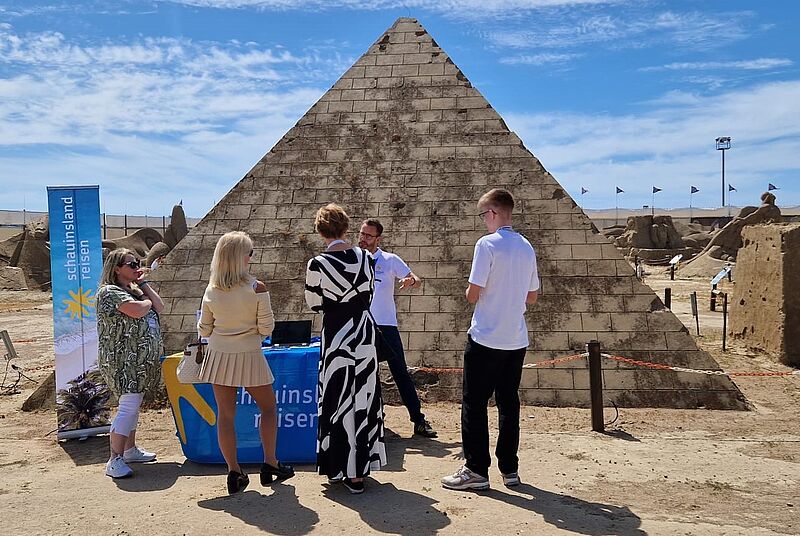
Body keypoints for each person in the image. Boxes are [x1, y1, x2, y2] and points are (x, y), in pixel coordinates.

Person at [441, 188, 540, 491]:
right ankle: (510, 470)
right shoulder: (526, 247)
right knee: (509, 404)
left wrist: (477, 292)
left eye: (484, 214)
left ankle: (476, 470)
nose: (483, 220)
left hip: (486, 336)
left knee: (474, 403)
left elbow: (472, 293)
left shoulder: (487, 244)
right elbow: (532, 297)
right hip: (516, 338)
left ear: (494, 213)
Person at [198, 231, 294, 494]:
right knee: (269, 409)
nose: (251, 257)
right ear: (242, 257)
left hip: (219, 356)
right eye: (249, 253)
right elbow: (267, 327)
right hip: (249, 354)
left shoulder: (211, 289)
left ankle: (234, 471)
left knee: (226, 416)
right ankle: (271, 463)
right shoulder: (257, 288)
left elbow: (204, 329)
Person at [305, 204, 386, 494]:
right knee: (363, 397)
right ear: (346, 228)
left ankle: (338, 466)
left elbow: (314, 304)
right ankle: (359, 471)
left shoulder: (317, 264)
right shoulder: (366, 258)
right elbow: (369, 295)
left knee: (337, 398)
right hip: (363, 334)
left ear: (320, 231)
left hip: (337, 336)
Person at [357, 218, 437, 438]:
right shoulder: (353, 259)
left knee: (400, 373)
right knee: (366, 374)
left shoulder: (390, 260)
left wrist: (411, 281)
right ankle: (373, 420)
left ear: (378, 239)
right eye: (362, 234)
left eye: (368, 236)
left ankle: (418, 420)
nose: (363, 239)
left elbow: (415, 279)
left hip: (386, 326)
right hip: (362, 326)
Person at [97, 249, 165, 479]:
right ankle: (114, 458)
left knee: (133, 406)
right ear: (116, 268)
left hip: (139, 362)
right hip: (122, 362)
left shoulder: (134, 291)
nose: (137, 267)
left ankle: (129, 449)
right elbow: (137, 311)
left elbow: (160, 306)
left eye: (138, 263)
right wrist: (145, 300)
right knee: (128, 407)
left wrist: (143, 285)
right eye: (131, 264)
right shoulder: (109, 292)